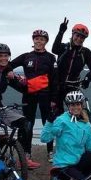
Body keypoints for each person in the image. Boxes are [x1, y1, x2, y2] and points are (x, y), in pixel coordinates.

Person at [40, 90, 91, 180]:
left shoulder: (86, 124)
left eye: (78, 104)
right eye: (72, 105)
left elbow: (90, 148)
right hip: (64, 165)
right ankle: (63, 178)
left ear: (82, 105)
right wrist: (49, 122)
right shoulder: (62, 120)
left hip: (79, 162)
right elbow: (44, 138)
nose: (75, 107)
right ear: (68, 106)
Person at [11, 29, 57, 165]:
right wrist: (15, 77)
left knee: (47, 123)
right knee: (28, 124)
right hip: (29, 95)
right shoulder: (26, 56)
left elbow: (54, 79)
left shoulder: (50, 57)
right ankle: (27, 152)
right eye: (36, 39)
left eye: (42, 39)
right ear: (33, 40)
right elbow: (8, 65)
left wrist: (54, 99)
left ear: (46, 42)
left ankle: (50, 151)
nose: (39, 41)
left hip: (45, 95)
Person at [51, 17, 91, 108]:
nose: (79, 39)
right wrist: (61, 32)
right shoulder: (64, 47)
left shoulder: (85, 52)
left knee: (78, 113)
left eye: (82, 37)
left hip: (73, 87)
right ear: (72, 34)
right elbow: (54, 49)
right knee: (56, 113)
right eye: (77, 35)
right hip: (57, 86)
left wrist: (87, 79)